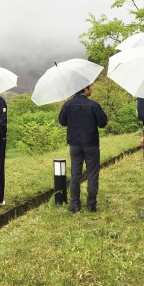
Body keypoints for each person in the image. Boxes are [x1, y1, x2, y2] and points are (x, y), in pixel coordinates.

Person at [58, 84, 108, 213]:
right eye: (90, 87)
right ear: (85, 89)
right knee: (92, 174)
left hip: (75, 144)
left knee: (75, 174)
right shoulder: (94, 105)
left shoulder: (68, 105)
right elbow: (103, 123)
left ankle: (75, 204)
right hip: (91, 144)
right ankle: (91, 204)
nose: (92, 89)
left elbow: (62, 122)